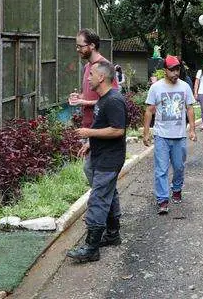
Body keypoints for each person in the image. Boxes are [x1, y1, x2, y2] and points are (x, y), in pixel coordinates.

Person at [67, 61, 127, 262]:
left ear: (101, 77)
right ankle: (112, 234)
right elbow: (104, 125)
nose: (88, 77)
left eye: (91, 74)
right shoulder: (103, 99)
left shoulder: (114, 100)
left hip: (109, 160)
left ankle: (91, 248)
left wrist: (88, 132)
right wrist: (91, 143)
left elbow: (118, 130)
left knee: (98, 198)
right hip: (100, 155)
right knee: (108, 194)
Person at [143, 55, 197, 215]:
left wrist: (192, 129)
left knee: (179, 167)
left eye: (177, 69)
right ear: (165, 70)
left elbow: (190, 108)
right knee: (161, 169)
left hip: (179, 135)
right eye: (172, 70)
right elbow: (149, 110)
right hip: (161, 135)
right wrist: (146, 132)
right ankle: (162, 200)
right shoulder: (156, 88)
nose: (175, 73)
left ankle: (177, 189)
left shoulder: (185, 87)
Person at [68, 29, 118, 183]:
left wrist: (85, 102)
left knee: (93, 171)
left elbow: (113, 101)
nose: (78, 50)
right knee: (95, 173)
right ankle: (106, 204)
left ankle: (101, 204)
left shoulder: (104, 67)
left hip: (101, 128)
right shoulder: (87, 67)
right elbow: (89, 95)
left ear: (92, 45)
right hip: (89, 125)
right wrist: (78, 98)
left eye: (80, 46)